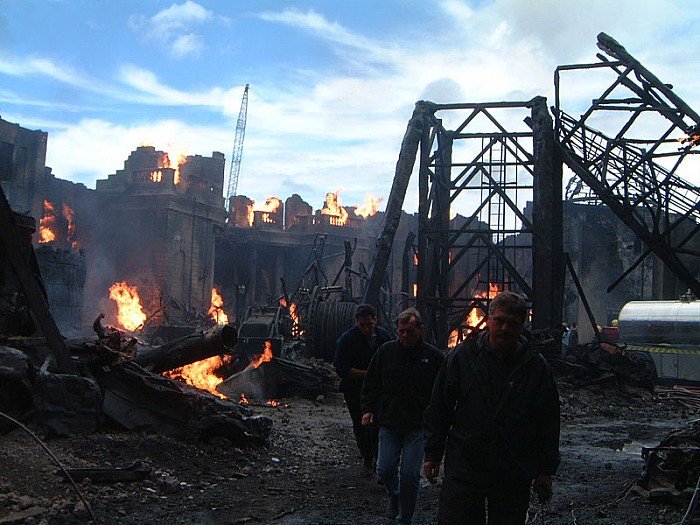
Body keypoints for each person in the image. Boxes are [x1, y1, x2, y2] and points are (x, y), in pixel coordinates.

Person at [423, 291, 560, 525]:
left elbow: (547, 420)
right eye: (499, 321)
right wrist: (433, 454)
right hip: (467, 462)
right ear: (488, 320)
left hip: (512, 466)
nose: (504, 328)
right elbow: (440, 407)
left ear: (521, 327)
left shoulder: (534, 367)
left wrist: (545, 470)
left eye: (512, 324)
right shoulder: (462, 358)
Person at [361, 308, 443, 524]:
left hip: (417, 426)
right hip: (389, 422)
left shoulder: (433, 358)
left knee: (410, 475)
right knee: (385, 469)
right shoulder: (386, 352)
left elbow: (445, 391)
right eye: (401, 332)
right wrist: (368, 409)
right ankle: (395, 494)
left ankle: (404, 519)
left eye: (409, 331)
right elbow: (371, 382)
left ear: (420, 330)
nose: (405, 336)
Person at [334, 303, 391, 475]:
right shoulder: (347, 339)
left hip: (378, 390)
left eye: (369, 324)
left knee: (380, 424)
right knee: (361, 424)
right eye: (362, 325)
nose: (366, 328)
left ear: (375, 320)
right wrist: (368, 374)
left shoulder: (384, 337)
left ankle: (379, 460)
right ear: (357, 322)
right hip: (354, 389)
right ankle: (367, 457)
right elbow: (341, 368)